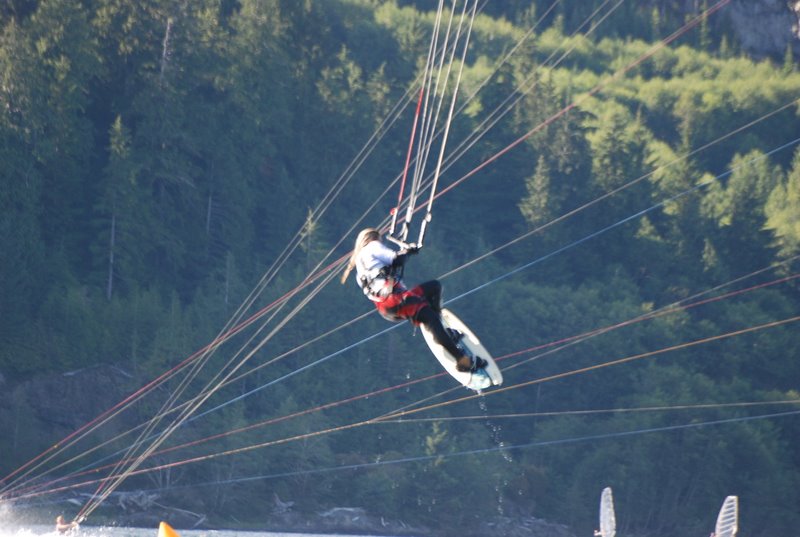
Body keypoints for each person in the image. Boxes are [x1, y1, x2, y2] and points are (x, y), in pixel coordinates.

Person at [341, 228, 486, 372]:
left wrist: (406, 253)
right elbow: (396, 259)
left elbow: (390, 267)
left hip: (387, 307)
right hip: (396, 299)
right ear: (374, 238)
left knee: (434, 287)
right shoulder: (372, 246)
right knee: (429, 316)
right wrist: (407, 251)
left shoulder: (359, 268)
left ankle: (441, 328)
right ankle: (462, 360)